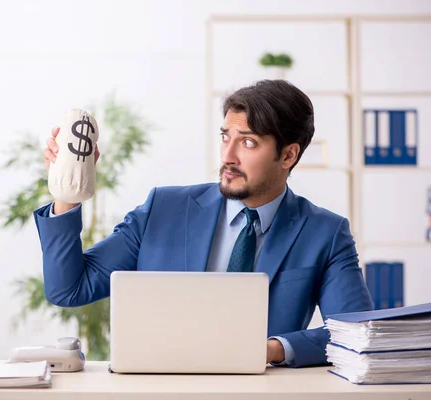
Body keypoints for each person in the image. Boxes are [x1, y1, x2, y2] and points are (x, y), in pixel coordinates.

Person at [33, 79, 374, 368]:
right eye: (226, 137)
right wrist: (67, 193)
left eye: (248, 142)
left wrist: (270, 349)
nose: (228, 156)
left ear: (288, 155)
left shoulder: (325, 233)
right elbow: (69, 288)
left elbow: (354, 332)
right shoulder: (162, 209)